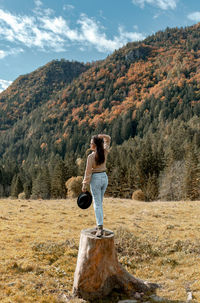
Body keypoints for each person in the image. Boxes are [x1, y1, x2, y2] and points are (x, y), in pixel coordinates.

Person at [82, 134, 111, 237]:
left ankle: (99, 228)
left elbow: (88, 172)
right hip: (104, 178)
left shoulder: (91, 157)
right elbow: (108, 139)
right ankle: (99, 224)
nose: (90, 145)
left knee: (97, 204)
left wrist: (84, 184)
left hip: (96, 179)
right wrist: (102, 136)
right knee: (99, 202)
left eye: (91, 143)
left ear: (94, 145)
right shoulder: (104, 151)